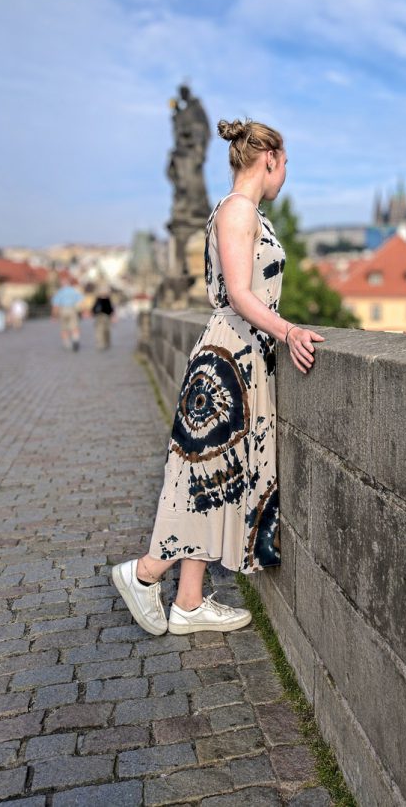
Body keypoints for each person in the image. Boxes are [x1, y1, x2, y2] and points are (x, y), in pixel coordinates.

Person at [112, 118, 325, 636]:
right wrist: (288, 329)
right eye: (286, 162)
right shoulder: (237, 211)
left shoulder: (243, 211)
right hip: (228, 359)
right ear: (270, 157)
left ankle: (187, 602)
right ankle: (144, 574)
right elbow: (239, 293)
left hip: (241, 358)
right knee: (198, 480)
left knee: (213, 478)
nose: (286, 173)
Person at [51, 281, 84, 351]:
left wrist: (54, 316)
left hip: (62, 310)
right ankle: (76, 340)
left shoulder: (59, 292)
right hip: (72, 309)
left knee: (64, 328)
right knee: (74, 327)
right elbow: (81, 301)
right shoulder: (73, 291)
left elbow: (55, 305)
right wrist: (81, 311)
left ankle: (67, 344)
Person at [92, 285, 115, 350]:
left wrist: (113, 317)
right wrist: (95, 312)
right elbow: (93, 308)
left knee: (106, 331)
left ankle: (106, 342)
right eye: (102, 291)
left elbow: (111, 309)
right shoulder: (98, 299)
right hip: (99, 317)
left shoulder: (108, 299)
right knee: (99, 331)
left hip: (106, 317)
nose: (103, 292)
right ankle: (100, 343)